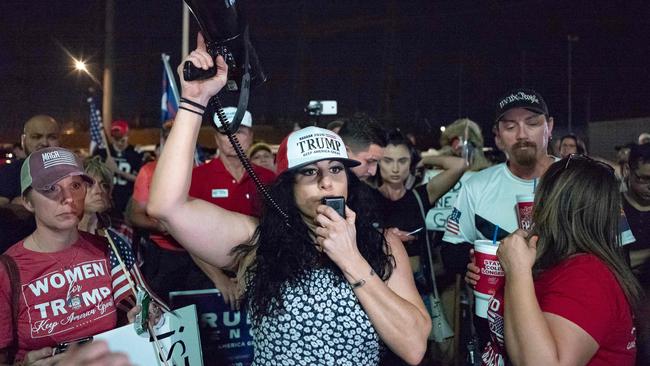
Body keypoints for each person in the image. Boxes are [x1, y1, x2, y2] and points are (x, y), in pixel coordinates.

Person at [147, 38, 431, 364]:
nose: (327, 182)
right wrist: (194, 102)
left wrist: (351, 259)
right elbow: (165, 208)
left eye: (336, 169)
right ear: (288, 188)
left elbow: (414, 347)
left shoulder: (381, 245)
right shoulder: (259, 242)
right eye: (309, 173)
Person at [466, 155, 641, 365]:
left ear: (552, 203)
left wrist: (517, 271)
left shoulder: (588, 275)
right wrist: (500, 276)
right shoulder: (551, 258)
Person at [0, 147, 140, 364]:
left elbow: (125, 320)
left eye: (75, 186)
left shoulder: (108, 249)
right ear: (27, 202)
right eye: (50, 188)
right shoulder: (8, 270)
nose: (68, 198)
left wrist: (133, 324)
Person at [373, 129, 466, 365]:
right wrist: (385, 238)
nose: (395, 168)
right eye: (388, 160)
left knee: (417, 357)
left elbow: (459, 164)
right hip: (379, 289)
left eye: (402, 161)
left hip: (418, 290)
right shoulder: (365, 196)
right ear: (377, 163)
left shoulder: (420, 196)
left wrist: (424, 158)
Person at [0, 115, 61, 250]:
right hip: (13, 255)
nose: (44, 142)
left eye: (51, 137)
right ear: (23, 140)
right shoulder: (8, 172)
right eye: (36, 136)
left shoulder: (71, 175)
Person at [97, 120, 143, 218]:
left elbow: (140, 180)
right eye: (116, 138)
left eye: (122, 138)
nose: (119, 141)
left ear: (127, 135)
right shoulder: (102, 152)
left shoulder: (135, 154)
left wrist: (119, 171)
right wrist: (104, 168)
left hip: (127, 202)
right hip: (107, 201)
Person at [337, 112, 387, 181]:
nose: (373, 172)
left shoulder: (368, 190)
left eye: (377, 163)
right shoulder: (322, 188)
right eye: (370, 161)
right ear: (345, 151)